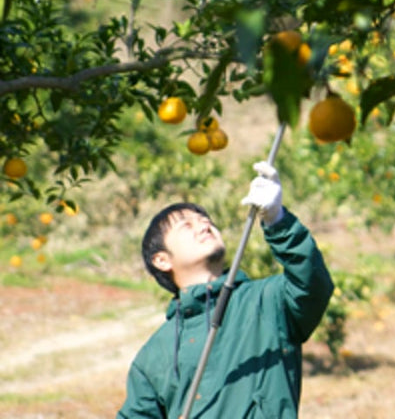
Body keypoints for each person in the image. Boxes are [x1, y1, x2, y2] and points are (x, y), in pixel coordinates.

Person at [117, 161, 334, 419]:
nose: (204, 226)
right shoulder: (153, 355)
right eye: (187, 225)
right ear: (162, 260)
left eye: (206, 221)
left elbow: (312, 283)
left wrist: (278, 221)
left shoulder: (267, 302)